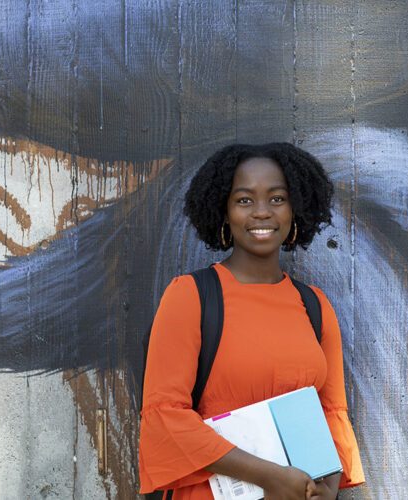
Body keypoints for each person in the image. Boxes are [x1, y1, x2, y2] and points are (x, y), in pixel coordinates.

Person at [138, 143, 365, 500]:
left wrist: (327, 488)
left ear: (296, 210)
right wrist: (270, 477)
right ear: (224, 211)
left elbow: (331, 411)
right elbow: (165, 415)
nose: (262, 212)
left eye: (277, 199)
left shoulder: (315, 306)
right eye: (244, 200)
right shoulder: (191, 296)